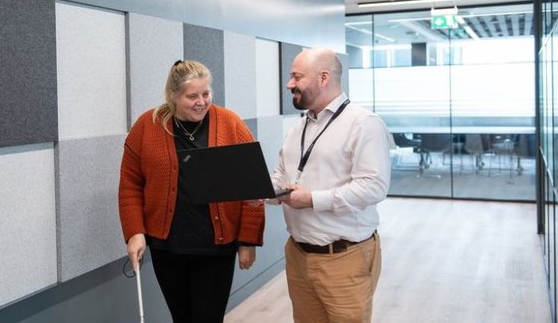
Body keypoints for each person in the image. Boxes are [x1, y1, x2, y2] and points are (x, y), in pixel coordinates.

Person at [119, 60, 265, 323]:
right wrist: (135, 232)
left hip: (216, 246)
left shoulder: (229, 123)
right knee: (181, 318)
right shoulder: (146, 125)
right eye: (192, 96)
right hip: (167, 247)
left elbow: (252, 187)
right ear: (173, 96)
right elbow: (130, 186)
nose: (201, 102)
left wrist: (248, 241)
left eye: (206, 94)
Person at [273, 48, 391, 323]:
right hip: (298, 254)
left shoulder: (363, 124)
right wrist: (259, 190)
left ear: (323, 77)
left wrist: (312, 199)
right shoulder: (298, 127)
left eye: (296, 77)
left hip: (344, 258)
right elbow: (282, 176)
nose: (289, 84)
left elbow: (373, 187)